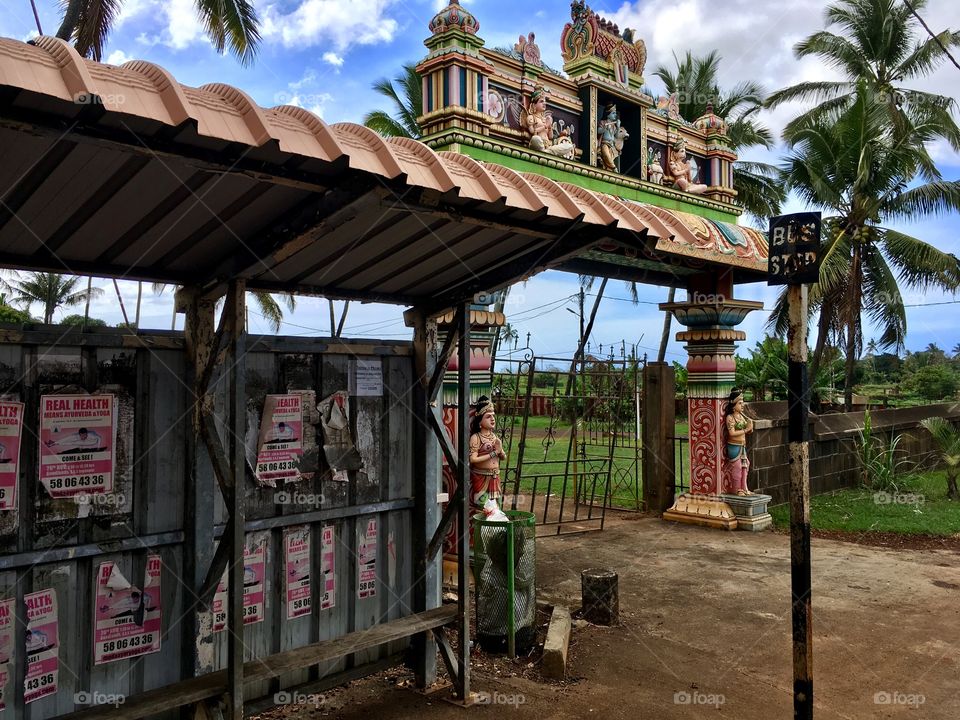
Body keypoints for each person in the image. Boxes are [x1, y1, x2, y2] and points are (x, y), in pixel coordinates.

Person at [468, 396, 505, 517]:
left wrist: (500, 452)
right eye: (488, 416)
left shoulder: (494, 437)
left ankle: (494, 534)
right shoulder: (476, 438)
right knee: (483, 509)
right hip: (481, 477)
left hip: (495, 477)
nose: (493, 419)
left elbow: (503, 457)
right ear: (480, 421)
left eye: (493, 416)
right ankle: (480, 534)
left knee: (496, 508)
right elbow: (473, 459)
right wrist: (494, 453)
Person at [724, 388, 754, 495]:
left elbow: (747, 432)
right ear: (733, 404)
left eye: (743, 403)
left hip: (742, 445)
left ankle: (744, 488)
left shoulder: (741, 416)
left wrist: (750, 427)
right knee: (737, 467)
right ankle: (737, 489)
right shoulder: (730, 417)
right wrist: (746, 429)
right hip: (734, 446)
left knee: (745, 466)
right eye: (740, 403)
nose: (742, 405)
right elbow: (732, 433)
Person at [597, 103, 625, 171]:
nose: (615, 115)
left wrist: (618, 127)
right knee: (606, 156)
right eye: (613, 113)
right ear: (608, 115)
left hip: (612, 146)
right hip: (605, 144)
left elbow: (616, 135)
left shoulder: (614, 125)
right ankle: (614, 168)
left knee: (609, 158)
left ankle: (610, 168)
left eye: (615, 113)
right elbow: (598, 131)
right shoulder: (603, 122)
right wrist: (604, 128)